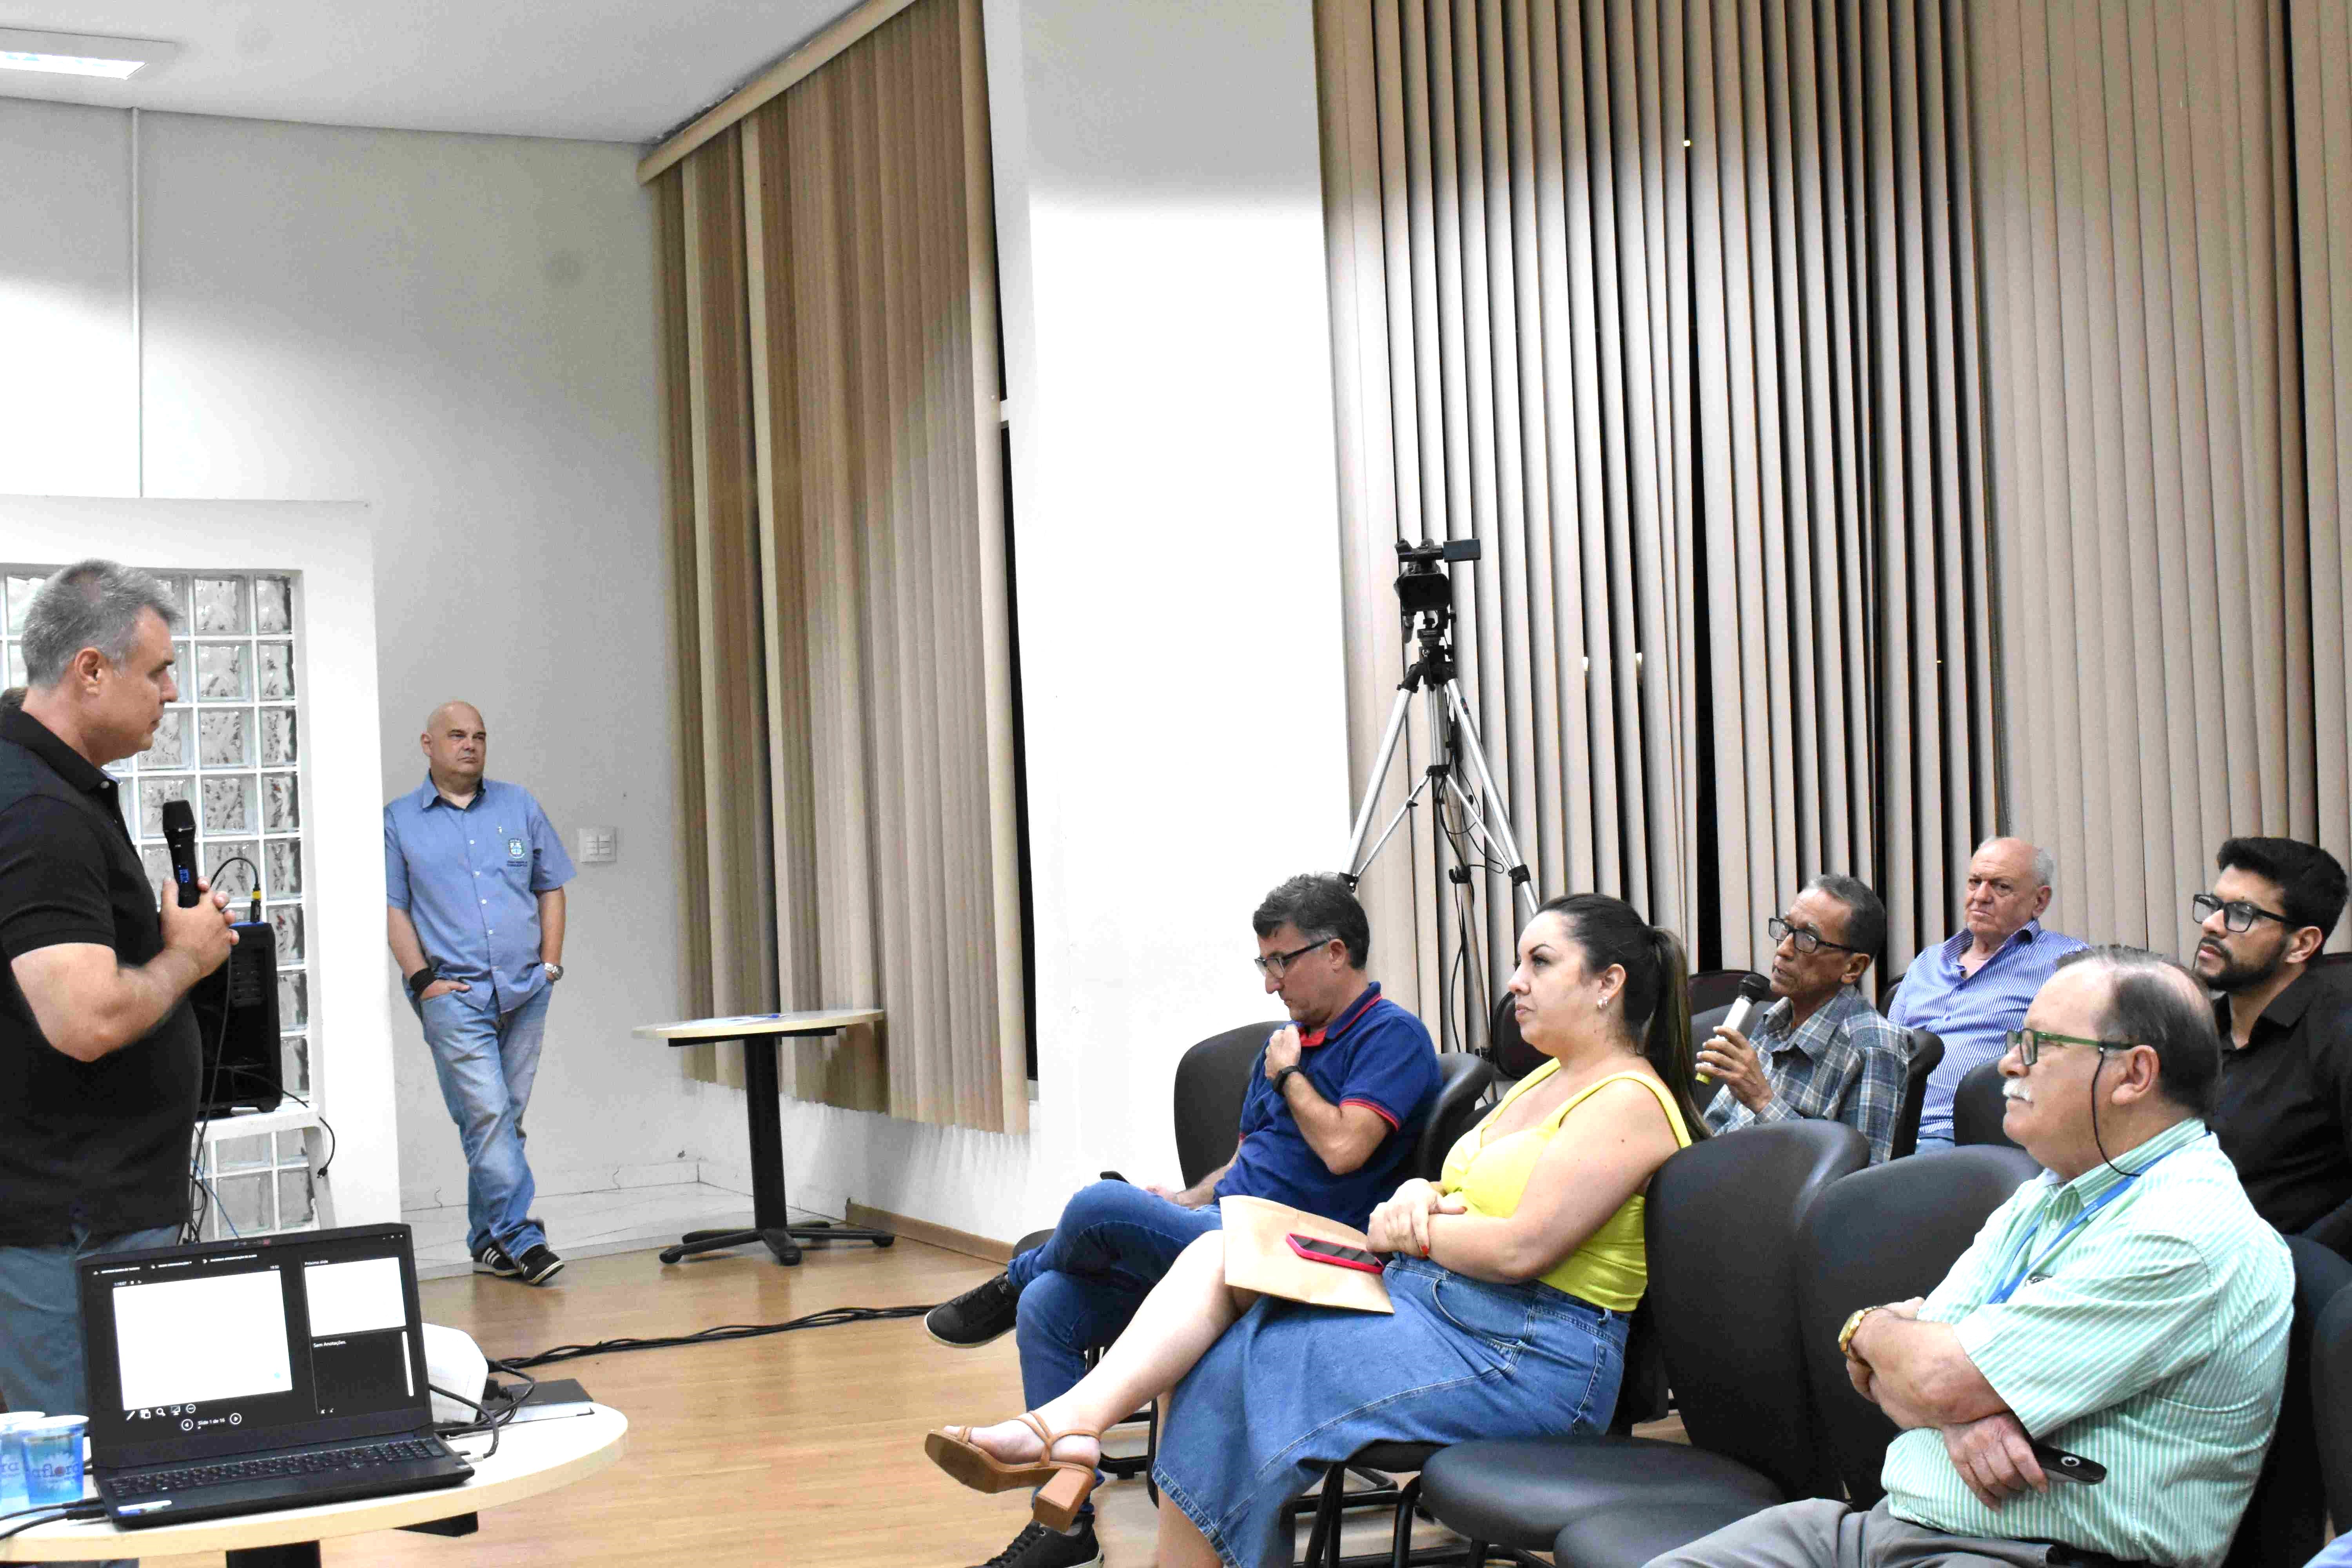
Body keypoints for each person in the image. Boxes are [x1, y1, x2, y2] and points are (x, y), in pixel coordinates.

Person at [924, 893, 1704, 1568]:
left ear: (1608, 983)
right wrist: (1419, 1194)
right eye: (1519, 962)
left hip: (1524, 1355)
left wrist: (1410, 1230)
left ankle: (1074, 1439)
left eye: (1539, 962)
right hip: (1444, 1305)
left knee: (1243, 1345)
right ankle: (1070, 1426)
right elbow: (1462, 1188)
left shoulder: (1630, 1100)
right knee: (1220, 1271)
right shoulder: (1547, 1078)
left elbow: (1518, 1247)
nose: (1515, 981)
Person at [1648, 946, 2292, 1568]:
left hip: (2034, 1554)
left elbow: (1935, 1377)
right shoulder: (2054, 1191)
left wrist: (1939, 1378)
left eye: (2037, 1045)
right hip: (1888, 1528)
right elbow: (1918, 1371)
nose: (2007, 1063)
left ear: (2133, 1075)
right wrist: (1888, 1344)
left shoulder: (2181, 1230)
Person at [923, 874, 1441, 1568]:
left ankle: (1013, 1280)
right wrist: (1186, 1200)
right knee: (1051, 1305)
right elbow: (1247, 1160)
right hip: (1224, 1232)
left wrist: (1291, 1077)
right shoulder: (1287, 1042)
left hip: (1301, 1252)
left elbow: (1346, 1149)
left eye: (1281, 961)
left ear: (1336, 953)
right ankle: (1066, 1529)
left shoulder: (1391, 1035)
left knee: (1097, 1207)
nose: (1271, 984)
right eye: (1264, 963)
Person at [1, 563, 238, 1566]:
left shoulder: (44, 781)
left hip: (78, 1201)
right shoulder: (38, 812)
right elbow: (85, 1017)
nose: (173, 693)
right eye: (159, 672)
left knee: (99, 1496)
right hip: (68, 1218)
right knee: (74, 1509)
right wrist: (187, 956)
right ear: (90, 670)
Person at [383, 700, 575, 1285]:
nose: (470, 745)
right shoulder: (398, 821)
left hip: (524, 990)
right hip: (454, 996)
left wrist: (549, 966)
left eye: (480, 736)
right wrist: (424, 982)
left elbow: (551, 887)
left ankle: (485, 1241)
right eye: (457, 735)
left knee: (501, 1120)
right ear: (428, 744)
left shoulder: (519, 806)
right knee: (489, 1114)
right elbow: (392, 908)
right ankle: (521, 1236)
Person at [2194, 836, 2352, 1259]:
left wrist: (2287, 1261)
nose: (2212, 925)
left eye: (2241, 914)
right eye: (2214, 905)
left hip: (2287, 1277)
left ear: (2301, 945)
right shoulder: (2193, 1031)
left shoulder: (2338, 1036)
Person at [1889, 838, 2086, 1149]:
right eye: (1975, 882)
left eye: (2001, 887)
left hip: (1964, 1140)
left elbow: (2077, 1063)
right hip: (1886, 1131)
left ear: (2039, 901)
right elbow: (1884, 1051)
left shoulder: (2067, 964)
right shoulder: (1928, 962)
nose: (1981, 897)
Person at [1699, 875, 1910, 1163]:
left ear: (1853, 967)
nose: (1784, 949)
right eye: (1787, 929)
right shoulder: (1776, 1019)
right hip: (1719, 1176)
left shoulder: (1873, 1047)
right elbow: (1715, 1126)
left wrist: (1763, 1099)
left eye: (1807, 939)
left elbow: (1860, 1179)